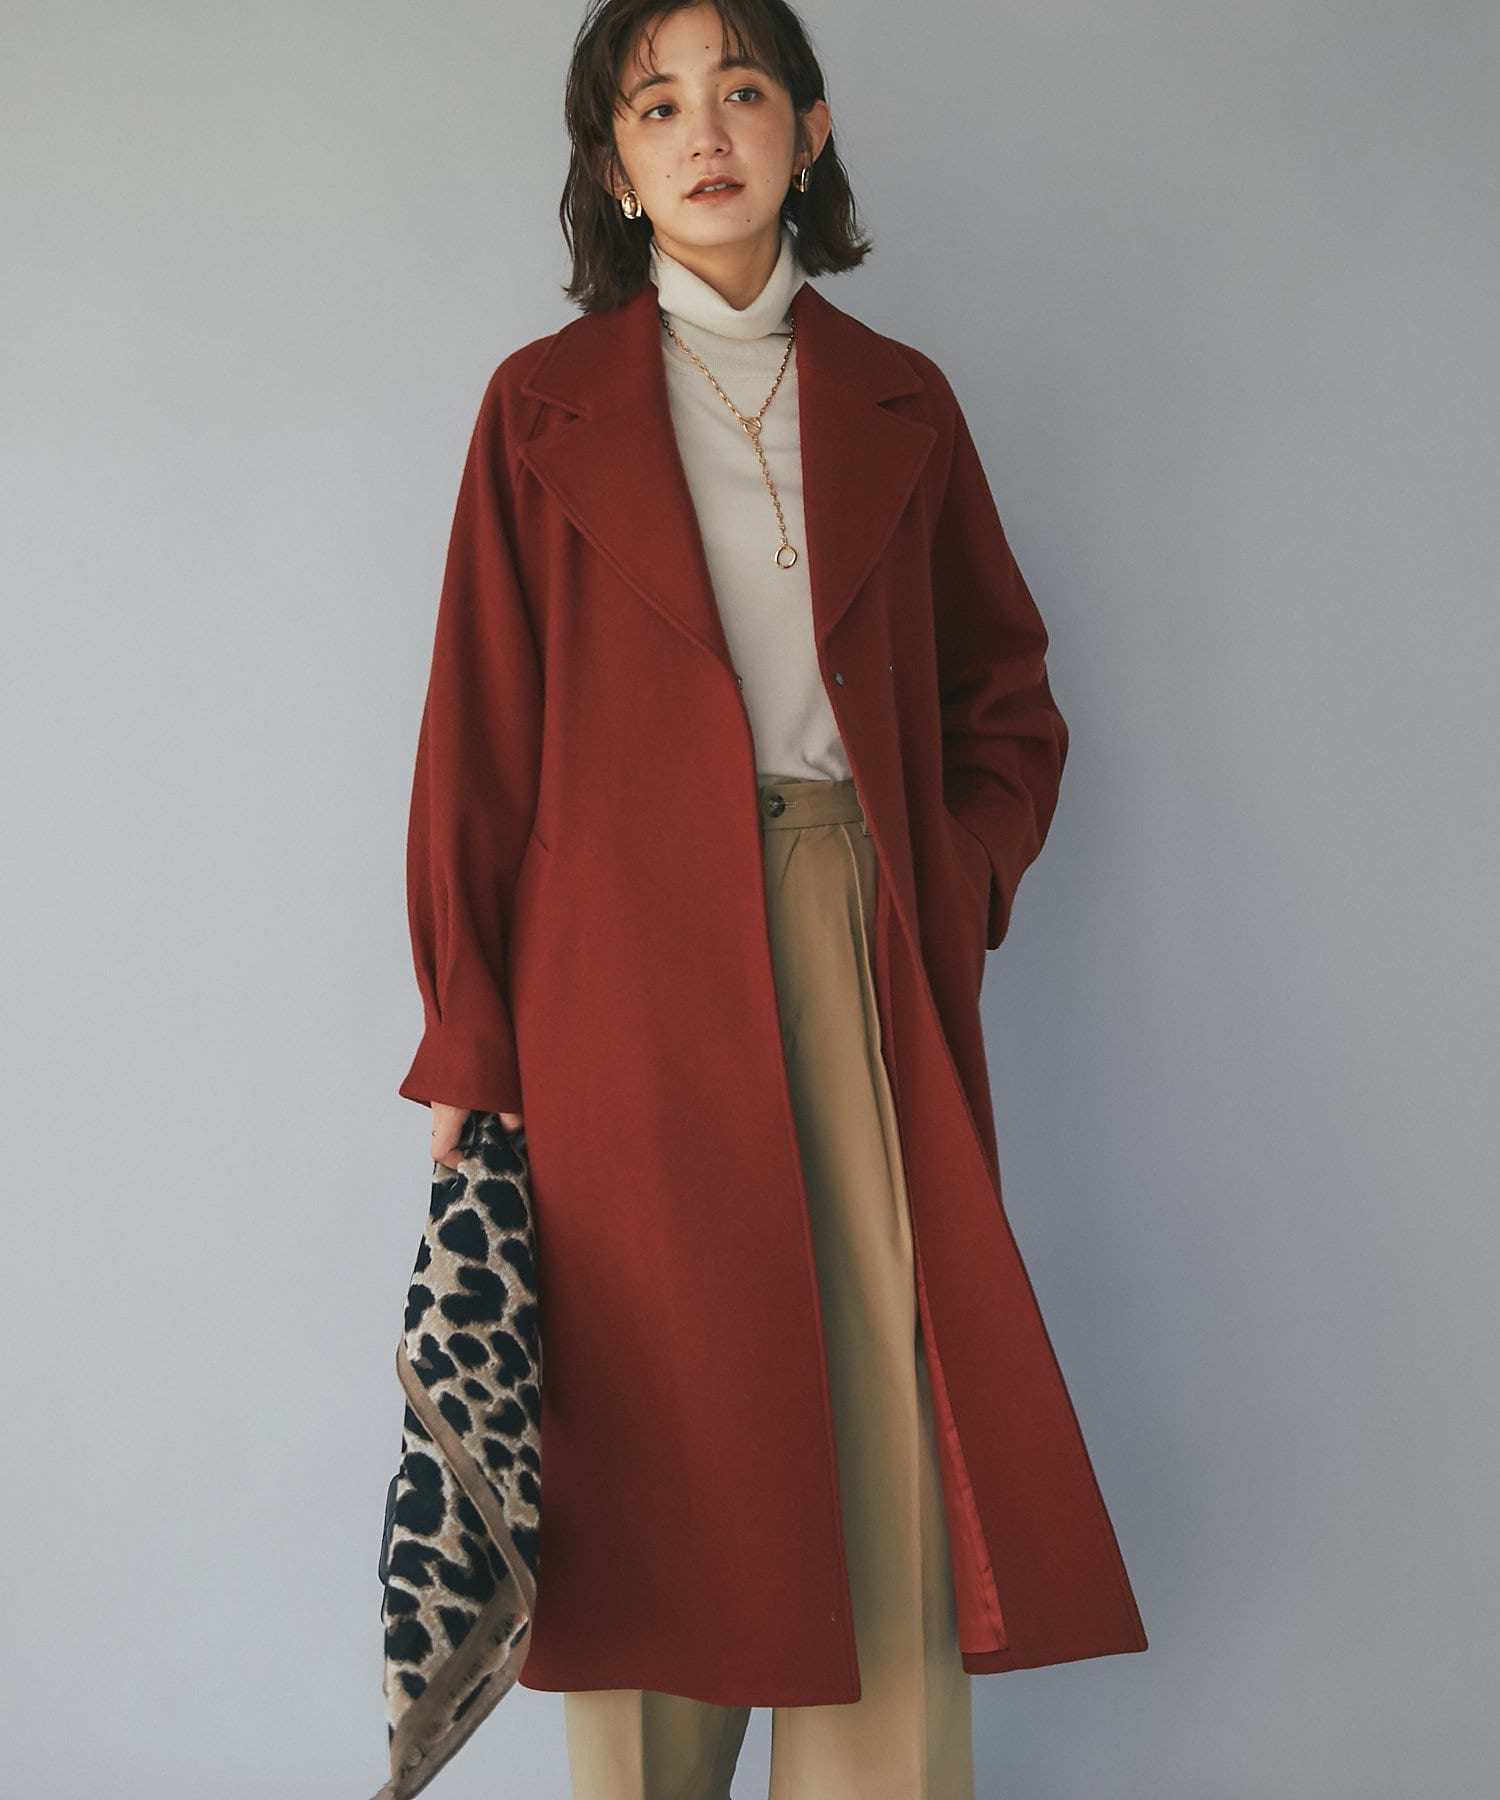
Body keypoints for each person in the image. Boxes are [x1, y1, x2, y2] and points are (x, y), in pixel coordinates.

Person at [399, 2, 1147, 1795]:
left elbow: (1006, 703)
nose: (704, 132)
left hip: (850, 932)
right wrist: (470, 1044)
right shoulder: (541, 408)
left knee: (881, 1407)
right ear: (613, 166)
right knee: (654, 1432)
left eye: (740, 91)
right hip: (612, 971)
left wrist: (941, 879)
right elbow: (476, 750)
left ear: (809, 130)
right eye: (656, 105)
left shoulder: (901, 399)